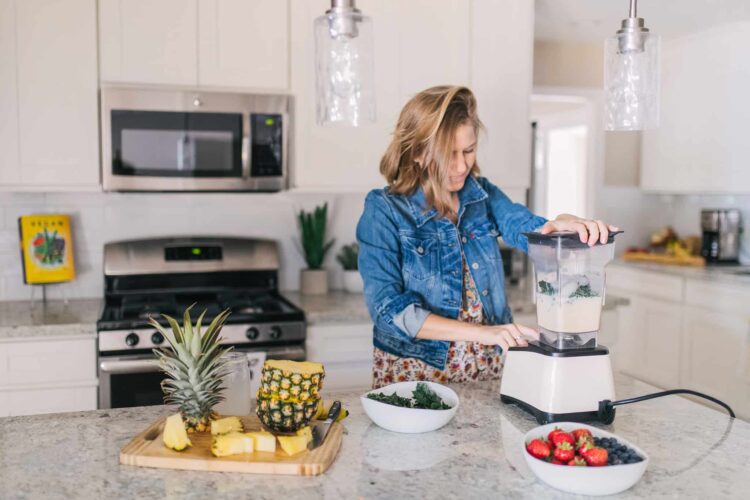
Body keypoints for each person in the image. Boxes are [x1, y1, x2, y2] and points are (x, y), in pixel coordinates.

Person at [356, 86, 619, 388]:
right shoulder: (384, 209)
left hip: (487, 365)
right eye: (448, 156)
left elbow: (528, 227)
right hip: (417, 371)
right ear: (416, 152)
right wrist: (484, 333)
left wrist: (563, 224)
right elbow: (388, 311)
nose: (461, 166)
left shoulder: (482, 195)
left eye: (468, 150)